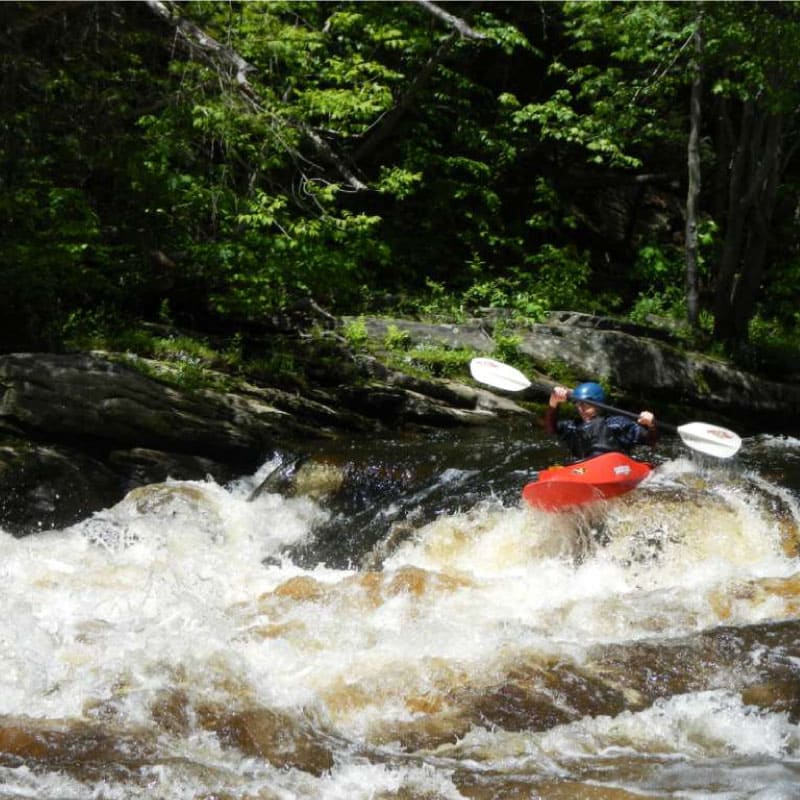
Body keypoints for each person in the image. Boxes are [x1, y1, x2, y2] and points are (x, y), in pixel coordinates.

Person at [545, 381, 657, 462]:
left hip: (614, 468)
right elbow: (550, 430)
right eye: (578, 404)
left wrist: (651, 425)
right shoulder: (573, 426)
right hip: (583, 469)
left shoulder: (618, 423)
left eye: (586, 404)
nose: (581, 409)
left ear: (599, 405)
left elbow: (649, 441)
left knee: (597, 423)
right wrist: (553, 404)